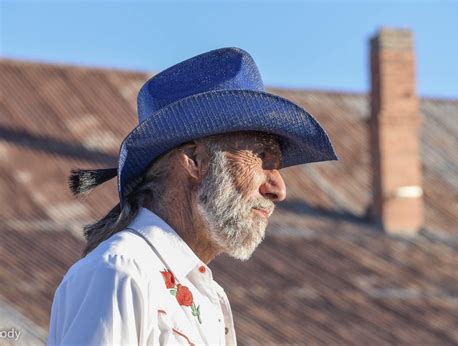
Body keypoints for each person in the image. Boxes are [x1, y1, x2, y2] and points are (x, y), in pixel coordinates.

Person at [47, 47, 338, 345]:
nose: (279, 188)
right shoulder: (122, 271)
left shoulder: (205, 294)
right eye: (261, 156)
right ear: (195, 160)